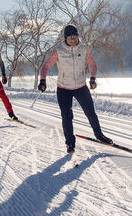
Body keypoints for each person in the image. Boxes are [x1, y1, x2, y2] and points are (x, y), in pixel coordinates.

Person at [38, 24, 113, 153]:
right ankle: (70, 143)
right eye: (70, 38)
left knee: (90, 112)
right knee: (67, 116)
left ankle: (99, 135)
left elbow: (92, 65)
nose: (73, 40)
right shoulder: (58, 51)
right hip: (63, 89)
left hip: (81, 87)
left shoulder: (84, 49)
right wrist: (43, 80)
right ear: (65, 38)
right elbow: (45, 67)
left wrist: (93, 78)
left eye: (75, 37)